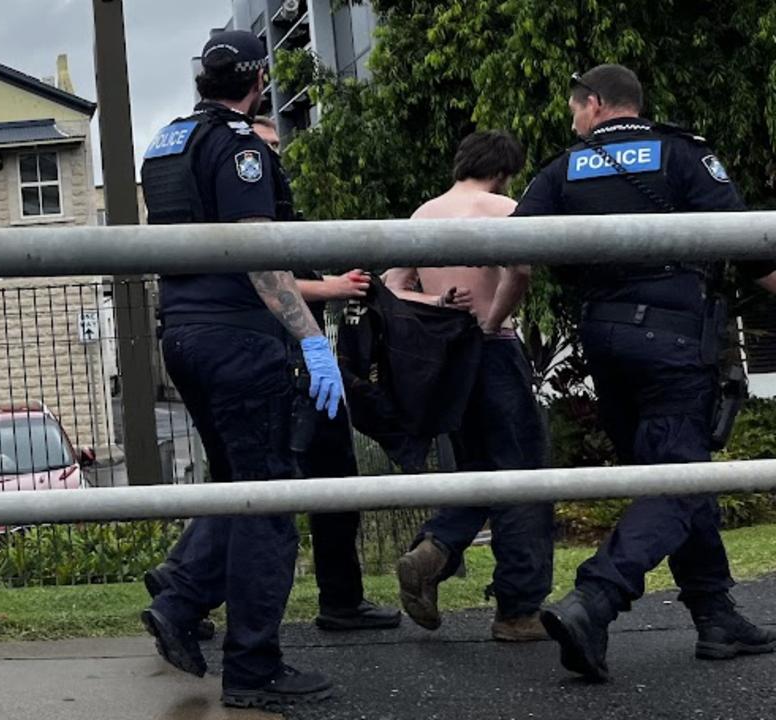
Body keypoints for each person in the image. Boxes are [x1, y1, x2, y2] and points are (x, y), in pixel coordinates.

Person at [514, 64, 776, 681]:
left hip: (604, 341)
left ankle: (715, 617)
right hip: (671, 338)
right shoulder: (685, 154)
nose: (574, 121)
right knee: (678, 480)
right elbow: (751, 248)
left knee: (673, 474)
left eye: (577, 109)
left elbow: (514, 248)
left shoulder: (562, 168)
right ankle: (596, 598)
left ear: (599, 105)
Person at [138, 30, 345, 710]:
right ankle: (254, 667)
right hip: (239, 340)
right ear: (259, 79)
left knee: (234, 483)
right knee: (270, 502)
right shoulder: (240, 146)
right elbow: (261, 255)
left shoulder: (167, 140)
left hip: (183, 333)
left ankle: (181, 595)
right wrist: (313, 339)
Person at [145, 116, 401, 638]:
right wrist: (329, 292)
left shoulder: (250, 198)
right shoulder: (236, 191)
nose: (270, 157)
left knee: (280, 479)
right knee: (267, 486)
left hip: (272, 351)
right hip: (274, 354)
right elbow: (262, 278)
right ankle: (187, 586)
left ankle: (195, 585)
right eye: (265, 146)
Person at [386, 131, 554, 642]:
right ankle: (518, 611)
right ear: (504, 169)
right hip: (492, 346)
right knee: (522, 475)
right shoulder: (504, 207)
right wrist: (491, 319)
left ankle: (433, 551)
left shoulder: (423, 214)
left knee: (476, 470)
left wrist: (437, 307)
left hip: (445, 357)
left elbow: (392, 284)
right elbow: (519, 270)